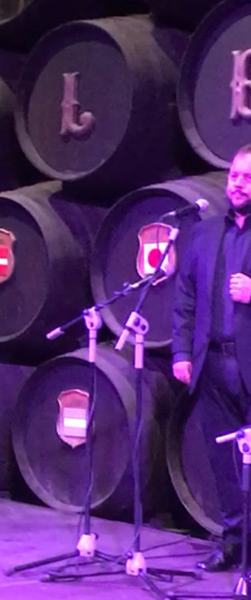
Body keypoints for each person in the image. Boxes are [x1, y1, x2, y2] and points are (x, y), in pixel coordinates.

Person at [172, 143, 251, 572]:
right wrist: (182, 352)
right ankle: (233, 542)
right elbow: (185, 298)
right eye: (235, 175)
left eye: (248, 178)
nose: (238, 184)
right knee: (223, 462)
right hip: (213, 364)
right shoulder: (204, 234)